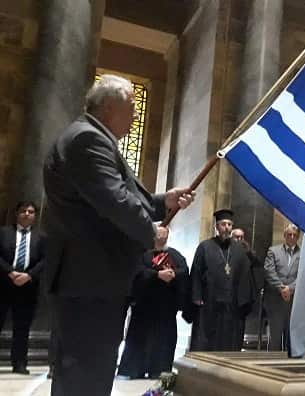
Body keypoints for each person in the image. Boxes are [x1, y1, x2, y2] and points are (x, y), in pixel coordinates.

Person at [42, 74, 194, 396]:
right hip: (89, 277)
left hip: (93, 278)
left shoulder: (91, 137)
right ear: (111, 108)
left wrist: (161, 201)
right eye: (132, 107)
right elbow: (113, 200)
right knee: (86, 372)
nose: (136, 115)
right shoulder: (88, 139)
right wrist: (148, 230)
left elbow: (118, 198)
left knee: (91, 369)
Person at [117, 226, 189, 379]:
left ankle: (159, 370)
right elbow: (137, 273)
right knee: (139, 340)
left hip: (166, 309)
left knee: (164, 342)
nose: (162, 235)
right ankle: (133, 370)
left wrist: (173, 274)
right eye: (159, 231)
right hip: (144, 308)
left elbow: (184, 272)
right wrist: (157, 275)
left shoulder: (175, 255)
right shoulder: (143, 254)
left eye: (165, 232)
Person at [190, 209, 255, 351]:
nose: (227, 227)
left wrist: (243, 301)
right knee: (207, 341)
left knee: (229, 341)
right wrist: (197, 296)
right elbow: (196, 272)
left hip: (231, 306)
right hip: (209, 303)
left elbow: (246, 276)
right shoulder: (205, 247)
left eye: (230, 225)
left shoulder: (239, 250)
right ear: (216, 227)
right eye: (223, 224)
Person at [0, 201, 46, 374]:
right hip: (4, 284)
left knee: (22, 328)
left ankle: (19, 363)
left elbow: (45, 260)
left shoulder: (41, 237)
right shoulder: (4, 233)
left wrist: (29, 275)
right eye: (23, 211)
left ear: (35, 216)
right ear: (17, 213)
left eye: (31, 212)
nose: (27, 214)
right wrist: (10, 272)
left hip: (28, 287)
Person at [263, 224, 301, 351]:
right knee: (275, 339)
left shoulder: (303, 254)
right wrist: (281, 288)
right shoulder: (273, 251)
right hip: (275, 301)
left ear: (298, 237)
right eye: (289, 234)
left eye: (294, 235)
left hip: (293, 302)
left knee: (292, 340)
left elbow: (303, 275)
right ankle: (271, 368)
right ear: (284, 236)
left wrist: (290, 289)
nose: (291, 237)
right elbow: (269, 271)